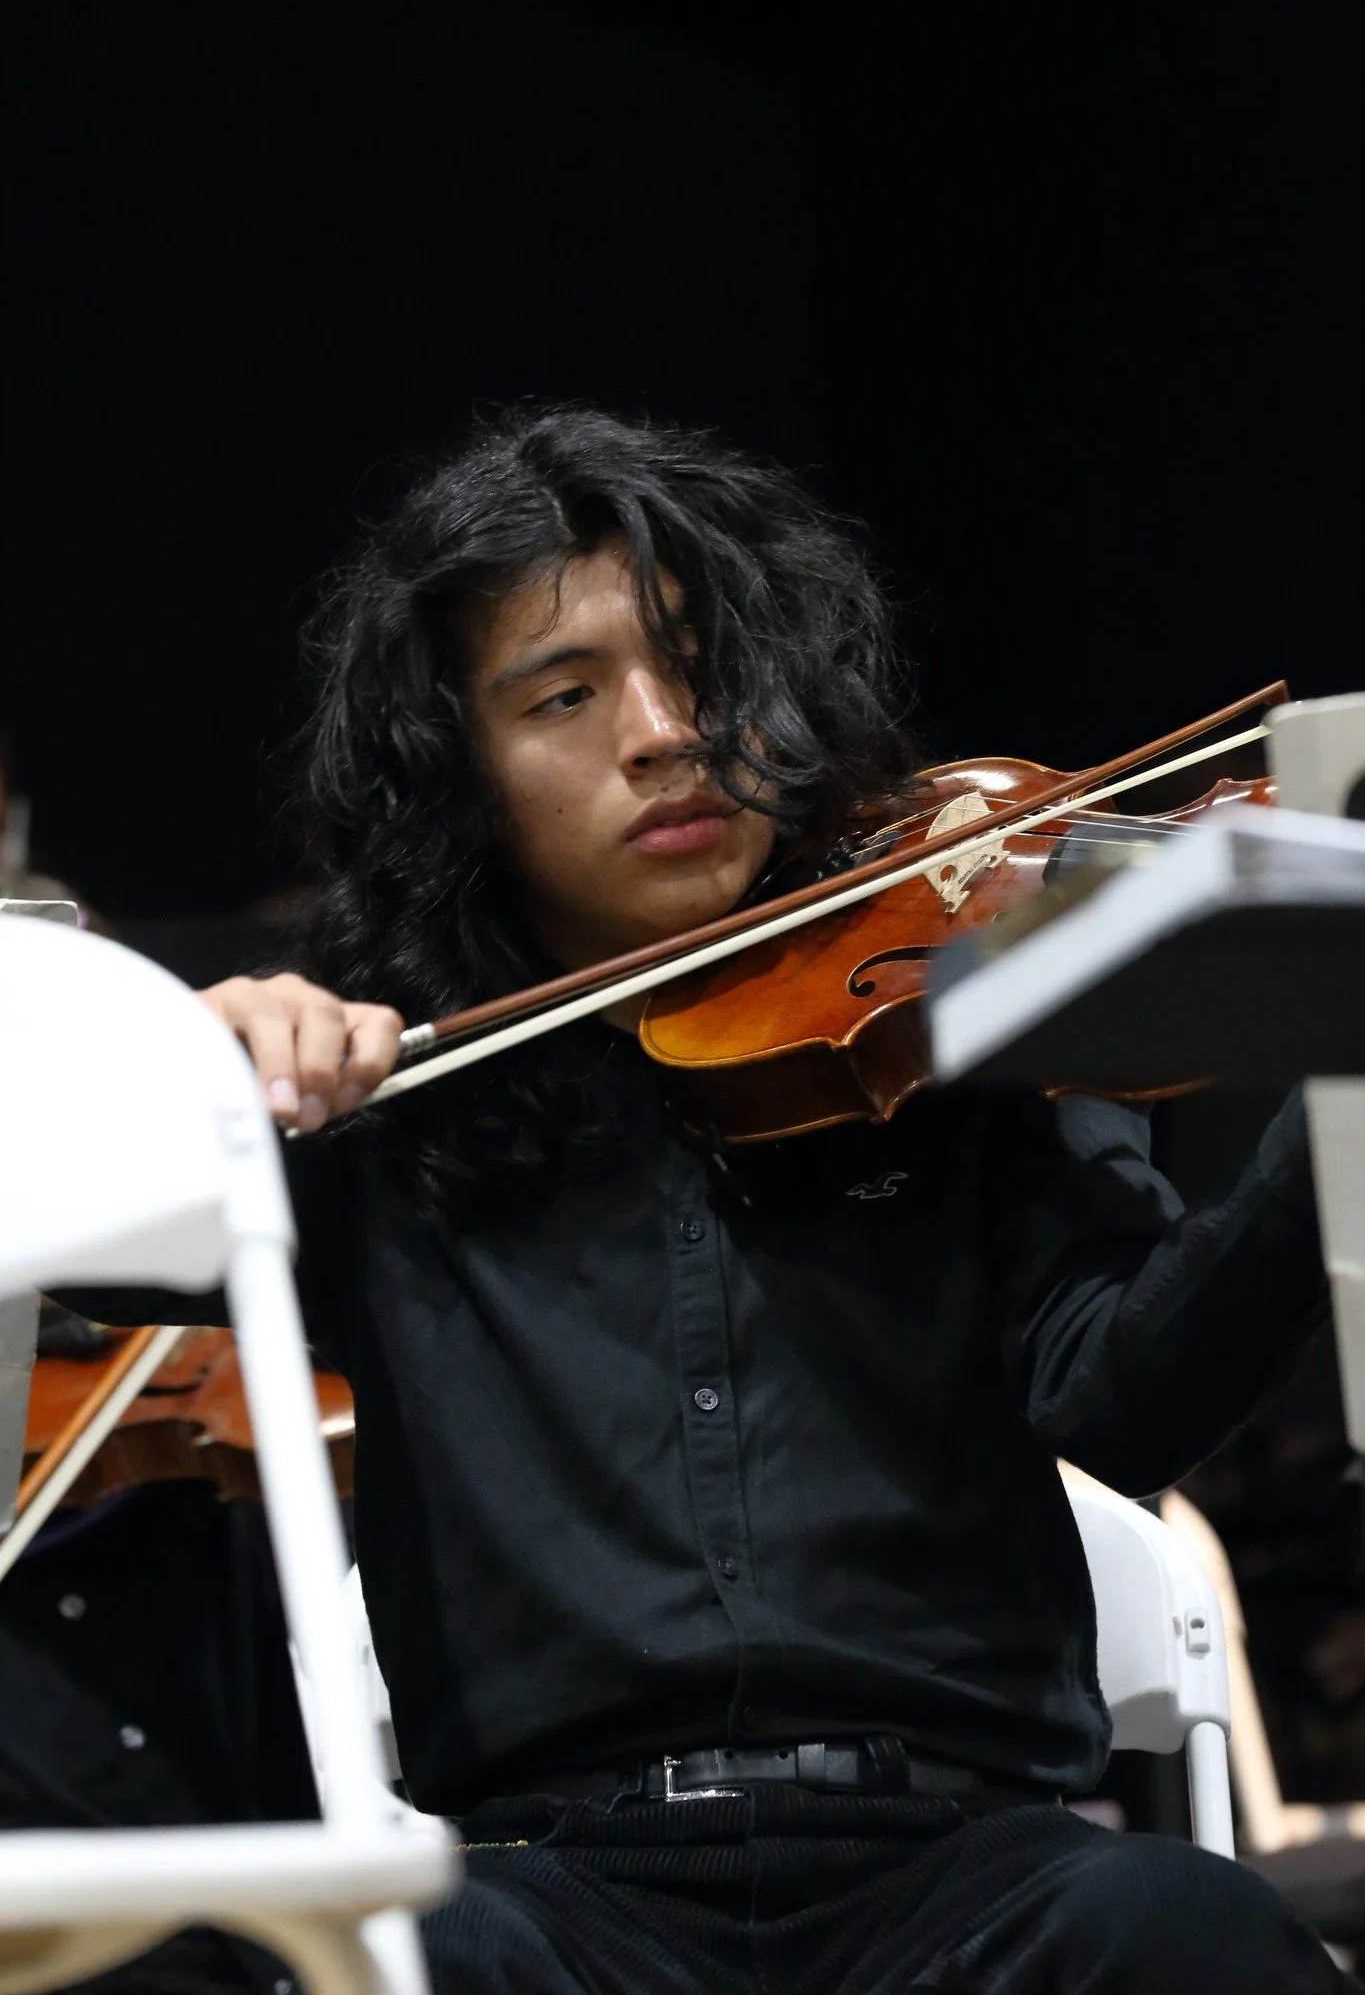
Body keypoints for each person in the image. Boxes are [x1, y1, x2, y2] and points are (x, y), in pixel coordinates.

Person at [189, 403, 1349, 1991]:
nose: (667, 731)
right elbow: (86, 1284)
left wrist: (1331, 1109)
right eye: (566, 696)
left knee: (1185, 1929)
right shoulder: (391, 1113)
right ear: (460, 772)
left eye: (703, 665)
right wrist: (172, 1079)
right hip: (550, 1903)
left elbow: (1126, 1403)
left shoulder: (958, 1014)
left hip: (972, 1882)